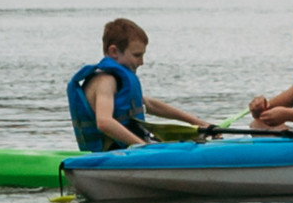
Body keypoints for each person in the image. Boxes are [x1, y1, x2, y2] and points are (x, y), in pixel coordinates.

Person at [69, 18, 212, 151]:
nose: (141, 62)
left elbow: (150, 104)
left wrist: (197, 122)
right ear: (113, 51)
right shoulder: (106, 81)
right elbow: (104, 122)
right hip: (113, 154)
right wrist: (143, 148)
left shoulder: (116, 79)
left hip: (132, 150)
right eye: (137, 55)